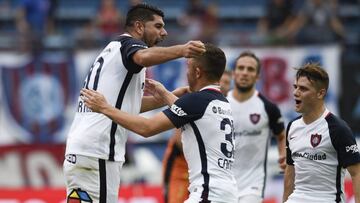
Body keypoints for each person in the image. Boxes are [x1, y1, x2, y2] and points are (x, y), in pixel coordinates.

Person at [63, 3, 206, 203]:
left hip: (86, 149)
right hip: (98, 151)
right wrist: (182, 50)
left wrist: (167, 96)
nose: (164, 32)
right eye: (157, 26)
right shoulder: (128, 46)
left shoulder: (114, 50)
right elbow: (142, 57)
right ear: (139, 27)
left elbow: (125, 107)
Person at [81, 43, 238, 203]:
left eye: (189, 66)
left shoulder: (197, 101)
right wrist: (164, 94)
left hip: (208, 194)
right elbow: (192, 115)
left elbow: (147, 128)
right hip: (226, 192)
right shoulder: (222, 102)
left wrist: (105, 108)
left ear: (197, 72)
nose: (186, 72)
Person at [283, 63, 360, 203]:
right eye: (295, 87)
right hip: (297, 198)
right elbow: (290, 172)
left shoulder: (338, 129)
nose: (295, 93)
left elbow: (356, 173)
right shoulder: (292, 126)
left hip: (326, 199)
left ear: (320, 93)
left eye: (303, 89)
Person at [162, 70, 232, 203]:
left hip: (207, 172)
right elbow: (178, 139)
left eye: (228, 83)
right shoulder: (198, 100)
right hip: (180, 164)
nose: (223, 86)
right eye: (222, 81)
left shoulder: (225, 106)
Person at [226, 51, 286, 203]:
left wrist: (283, 154)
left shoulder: (268, 108)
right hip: (223, 182)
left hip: (253, 184)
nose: (245, 73)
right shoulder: (220, 104)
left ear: (258, 76)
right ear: (234, 73)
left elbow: (281, 135)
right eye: (241, 68)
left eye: (250, 69)